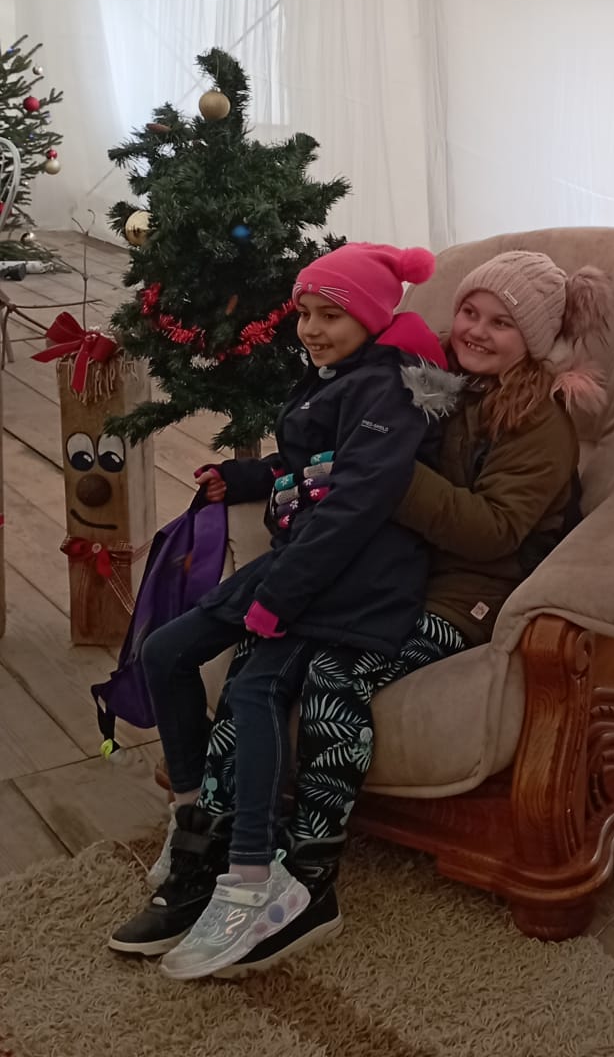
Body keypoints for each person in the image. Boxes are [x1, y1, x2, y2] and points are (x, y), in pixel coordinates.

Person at [112, 249, 613, 978]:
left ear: (533, 340)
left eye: (501, 323)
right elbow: (331, 450)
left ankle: (308, 879)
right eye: (469, 311)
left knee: (332, 673)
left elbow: (494, 532)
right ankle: (214, 848)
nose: (476, 330)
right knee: (254, 662)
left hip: (467, 594)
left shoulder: (539, 423)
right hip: (386, 567)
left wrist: (381, 472)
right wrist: (262, 476)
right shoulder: (430, 379)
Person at [108, 241, 448, 978]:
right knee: (166, 651)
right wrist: (247, 477)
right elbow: (311, 467)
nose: (313, 329)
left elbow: (355, 505)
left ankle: (250, 876)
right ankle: (194, 822)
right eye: (305, 313)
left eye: (332, 315)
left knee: (257, 686)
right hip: (300, 564)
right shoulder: (337, 372)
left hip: (349, 580)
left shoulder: (389, 390)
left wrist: (276, 599)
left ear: (372, 317)